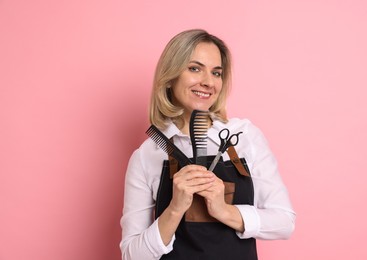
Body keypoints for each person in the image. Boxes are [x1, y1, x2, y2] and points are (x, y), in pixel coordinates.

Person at [120, 29, 296, 260]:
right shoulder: (147, 156)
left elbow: (284, 222)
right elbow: (131, 256)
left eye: (216, 73)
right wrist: (174, 209)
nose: (208, 82)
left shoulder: (244, 136)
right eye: (195, 68)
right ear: (170, 77)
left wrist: (224, 210)